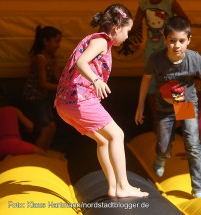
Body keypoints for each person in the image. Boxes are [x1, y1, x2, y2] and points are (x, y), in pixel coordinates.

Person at [54, 4, 148, 198]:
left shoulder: (92, 39)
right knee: (118, 134)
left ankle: (113, 187)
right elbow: (81, 62)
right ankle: (123, 186)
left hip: (64, 105)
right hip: (79, 100)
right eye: (128, 31)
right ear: (117, 28)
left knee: (104, 141)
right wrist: (96, 80)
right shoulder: (101, 41)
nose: (128, 36)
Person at [135, 16, 201, 198]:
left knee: (193, 144)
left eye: (182, 41)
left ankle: (198, 187)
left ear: (189, 40)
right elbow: (146, 80)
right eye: (172, 41)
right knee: (164, 145)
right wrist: (141, 104)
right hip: (165, 107)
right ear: (165, 39)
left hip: (185, 104)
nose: (177, 46)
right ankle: (161, 157)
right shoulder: (156, 59)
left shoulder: (194, 59)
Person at [132, 0, 189, 132]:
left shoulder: (170, 2)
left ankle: (184, 119)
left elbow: (185, 20)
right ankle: (157, 123)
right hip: (152, 48)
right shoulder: (144, 4)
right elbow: (135, 26)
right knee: (152, 86)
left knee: (176, 80)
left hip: (168, 47)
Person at [22, 25, 62, 150]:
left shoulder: (52, 58)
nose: (58, 45)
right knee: (45, 129)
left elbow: (59, 78)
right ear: (45, 41)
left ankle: (44, 154)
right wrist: (61, 89)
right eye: (56, 41)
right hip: (33, 96)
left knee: (52, 128)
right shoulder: (40, 58)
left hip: (42, 96)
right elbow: (43, 83)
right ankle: (37, 156)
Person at [0, 87, 45, 159]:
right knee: (41, 153)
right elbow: (30, 125)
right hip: (14, 143)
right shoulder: (13, 109)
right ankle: (13, 157)